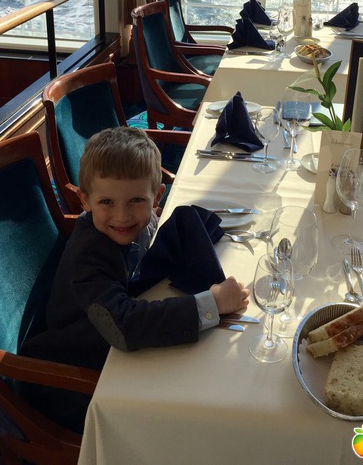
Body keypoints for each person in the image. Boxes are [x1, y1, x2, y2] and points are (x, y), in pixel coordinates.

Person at [20, 126, 249, 431]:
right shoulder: (88, 256)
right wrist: (212, 304)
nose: (122, 216)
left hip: (108, 339)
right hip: (73, 371)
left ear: (157, 197)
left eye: (136, 200)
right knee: (198, 408)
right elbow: (123, 326)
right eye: (106, 202)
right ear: (84, 200)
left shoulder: (136, 221)